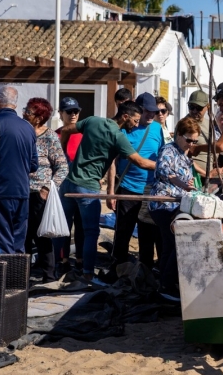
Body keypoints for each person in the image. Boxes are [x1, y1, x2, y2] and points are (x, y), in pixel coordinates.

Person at [59, 101, 155, 280]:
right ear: (125, 117)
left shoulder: (92, 120)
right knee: (90, 232)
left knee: (60, 228)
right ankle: (88, 274)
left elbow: (65, 130)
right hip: (88, 188)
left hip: (68, 183)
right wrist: (162, 166)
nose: (136, 124)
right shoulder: (118, 136)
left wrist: (64, 160)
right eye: (134, 120)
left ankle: (55, 268)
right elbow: (140, 162)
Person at [105, 93, 164, 275]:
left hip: (150, 189)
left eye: (154, 112)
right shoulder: (124, 128)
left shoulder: (157, 128)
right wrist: (110, 191)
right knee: (123, 231)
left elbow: (162, 154)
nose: (151, 115)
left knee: (148, 233)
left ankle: (144, 271)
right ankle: (117, 269)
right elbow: (112, 161)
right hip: (128, 187)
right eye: (147, 111)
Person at [148, 117, 200, 297]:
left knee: (169, 245)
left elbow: (183, 178)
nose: (191, 144)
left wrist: (189, 182)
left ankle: (166, 283)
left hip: (178, 205)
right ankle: (167, 285)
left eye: (195, 141)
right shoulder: (168, 150)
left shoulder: (185, 155)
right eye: (188, 140)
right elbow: (165, 172)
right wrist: (182, 184)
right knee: (178, 242)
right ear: (178, 135)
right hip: (163, 205)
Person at [23, 98, 68, 282]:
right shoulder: (23, 133)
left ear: (40, 117)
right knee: (23, 236)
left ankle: (49, 276)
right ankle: (21, 277)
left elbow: (63, 167)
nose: (25, 112)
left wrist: (47, 188)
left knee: (42, 236)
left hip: (39, 195)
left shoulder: (49, 136)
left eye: (29, 111)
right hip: (20, 193)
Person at [0, 87, 38, 255]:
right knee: (18, 244)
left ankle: (1, 281)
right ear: (16, 105)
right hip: (23, 192)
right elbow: (34, 164)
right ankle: (17, 280)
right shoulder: (27, 127)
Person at [54, 97, 84, 274]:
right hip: (63, 187)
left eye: (76, 111)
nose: (73, 115)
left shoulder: (85, 134)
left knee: (81, 225)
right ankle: (63, 260)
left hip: (81, 185)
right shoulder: (56, 135)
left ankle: (79, 259)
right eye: (69, 111)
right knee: (63, 224)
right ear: (61, 114)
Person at [184, 90, 214, 180]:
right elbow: (181, 155)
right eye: (191, 107)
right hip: (192, 177)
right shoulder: (184, 125)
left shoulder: (210, 124)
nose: (194, 111)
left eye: (199, 108)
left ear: (207, 107)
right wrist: (203, 173)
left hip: (209, 177)